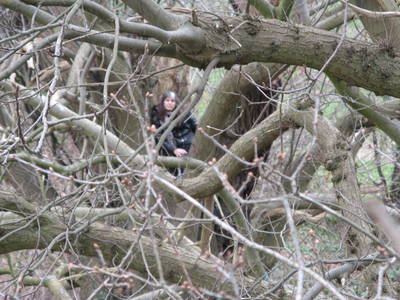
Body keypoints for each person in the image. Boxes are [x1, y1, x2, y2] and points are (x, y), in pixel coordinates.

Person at [150, 91, 197, 160]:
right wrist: (174, 150)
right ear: (163, 102)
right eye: (167, 100)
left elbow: (196, 126)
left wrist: (196, 144)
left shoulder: (184, 112)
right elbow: (159, 137)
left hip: (190, 144)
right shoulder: (157, 116)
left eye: (172, 101)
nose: (170, 103)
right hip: (173, 148)